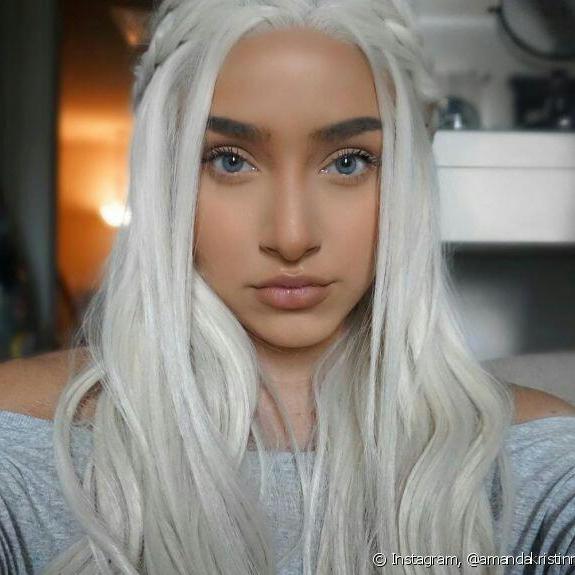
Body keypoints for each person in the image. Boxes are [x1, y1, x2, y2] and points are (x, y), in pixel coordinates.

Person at [0, 0, 574, 573]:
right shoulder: (23, 445)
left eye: (349, 163)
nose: (292, 237)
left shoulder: (536, 461)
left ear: (408, 177)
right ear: (166, 173)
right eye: (229, 161)